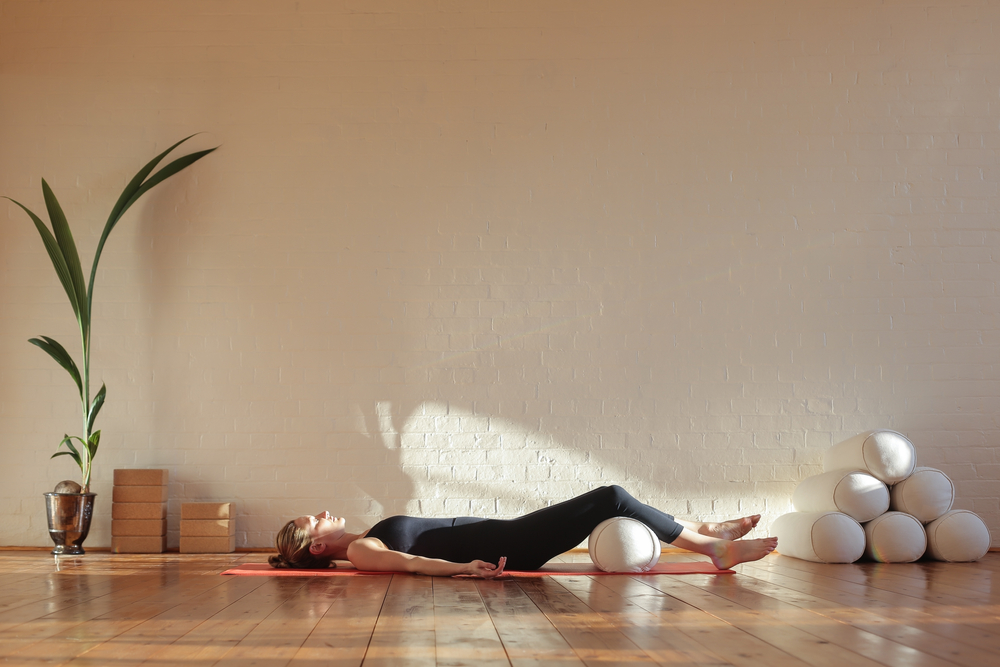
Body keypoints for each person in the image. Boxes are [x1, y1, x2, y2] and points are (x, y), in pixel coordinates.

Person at [268, 485, 777, 576]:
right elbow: (410, 564)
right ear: (315, 544)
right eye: (310, 519)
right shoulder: (361, 549)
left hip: (509, 533)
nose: (320, 510)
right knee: (612, 498)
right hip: (507, 547)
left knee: (608, 508)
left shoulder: (367, 534)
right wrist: (465, 568)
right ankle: (714, 548)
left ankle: (702, 530)